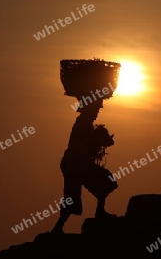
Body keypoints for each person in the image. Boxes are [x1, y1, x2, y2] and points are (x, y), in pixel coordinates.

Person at [51, 98, 118, 234]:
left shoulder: (85, 122)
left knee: (104, 182)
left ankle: (99, 212)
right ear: (90, 109)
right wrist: (101, 138)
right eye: (96, 109)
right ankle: (58, 228)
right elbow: (86, 142)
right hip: (75, 164)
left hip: (78, 164)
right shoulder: (82, 122)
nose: (97, 113)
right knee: (72, 196)